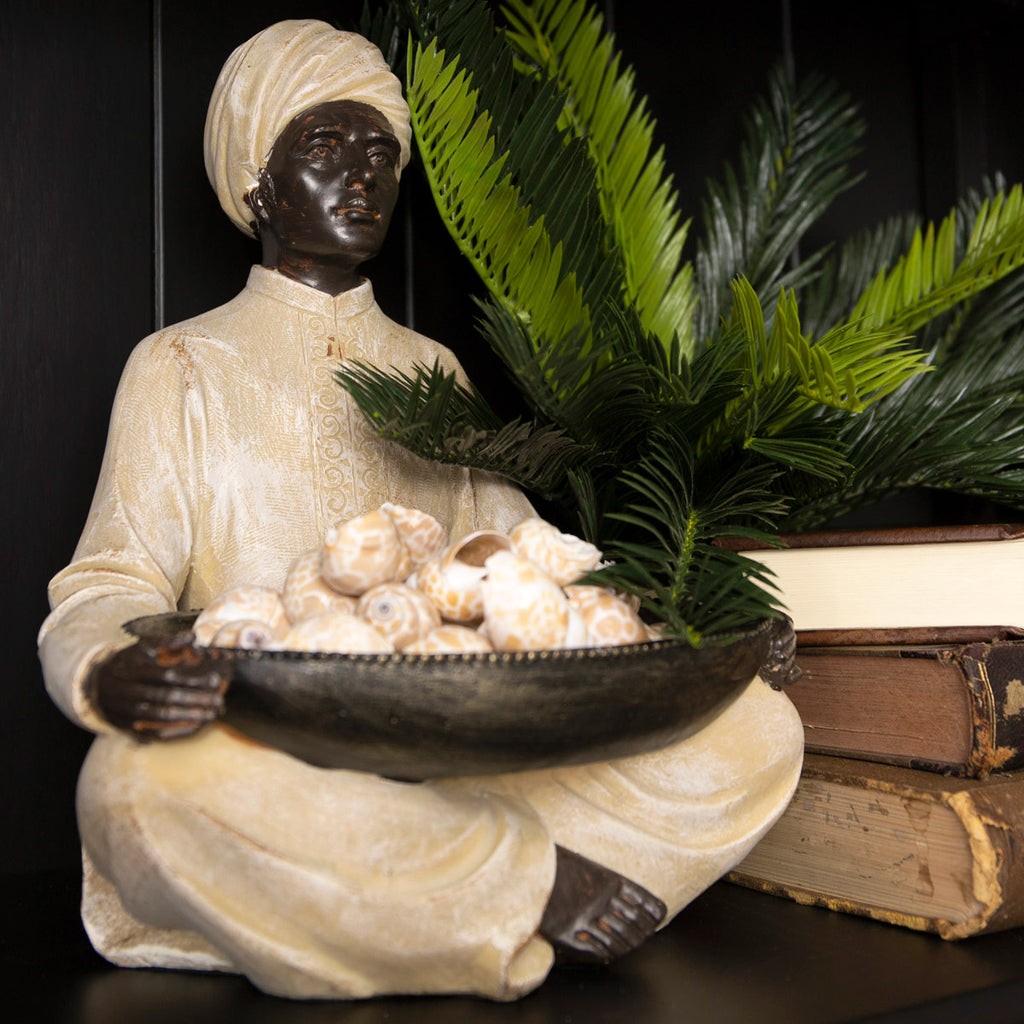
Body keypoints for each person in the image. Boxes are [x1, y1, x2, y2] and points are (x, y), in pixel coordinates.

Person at [38, 20, 804, 1001]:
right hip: (273, 764)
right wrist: (114, 670)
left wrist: (708, 630)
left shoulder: (429, 369)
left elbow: (531, 559)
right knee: (129, 794)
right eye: (324, 146)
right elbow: (109, 582)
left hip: (463, 756)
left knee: (758, 729)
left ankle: (428, 894)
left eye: (378, 153)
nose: (361, 176)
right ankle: (528, 886)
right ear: (255, 183)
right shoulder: (180, 365)